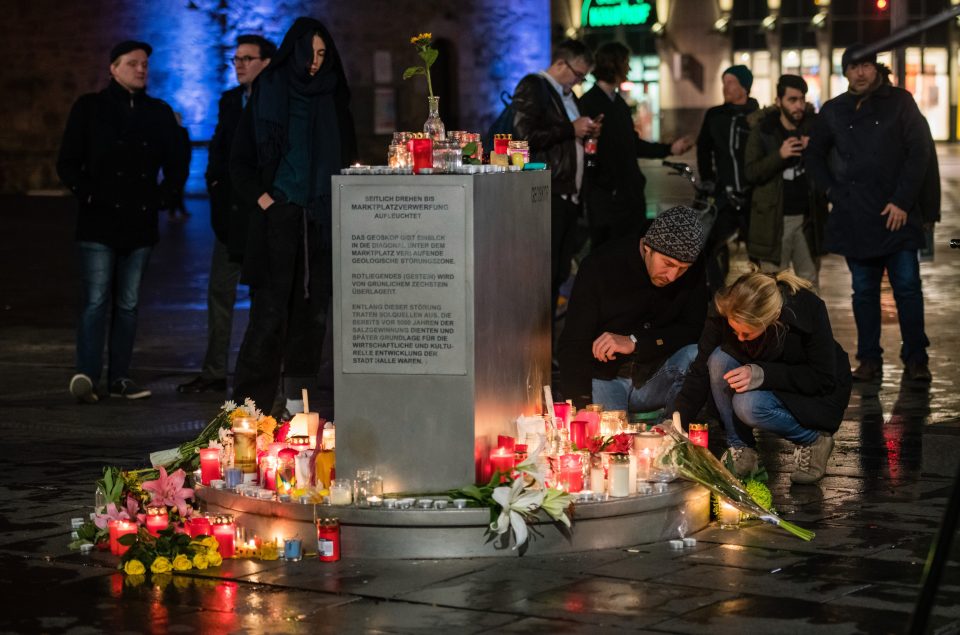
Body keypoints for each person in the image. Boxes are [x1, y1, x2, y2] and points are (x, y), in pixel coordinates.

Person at [229, 17, 357, 417]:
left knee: (312, 316)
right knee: (268, 317)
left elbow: (347, 150)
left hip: (319, 220)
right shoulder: (271, 88)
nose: (315, 62)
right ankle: (248, 411)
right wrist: (266, 201)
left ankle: (295, 405)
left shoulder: (332, 93)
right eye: (310, 53)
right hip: (279, 219)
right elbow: (240, 159)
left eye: (322, 54)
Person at [57, 40, 189, 402]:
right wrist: (88, 194)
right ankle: (87, 373)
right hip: (98, 221)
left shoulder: (157, 111)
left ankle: (119, 377)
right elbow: (67, 160)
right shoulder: (90, 108)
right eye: (132, 63)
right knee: (96, 300)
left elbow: (178, 157)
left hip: (139, 223)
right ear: (114, 68)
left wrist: (164, 197)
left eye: (145, 63)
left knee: (128, 303)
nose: (141, 69)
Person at [806, 46, 937, 383]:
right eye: (853, 67)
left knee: (907, 289)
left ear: (876, 68)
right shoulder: (834, 110)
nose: (860, 73)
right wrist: (833, 192)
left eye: (866, 65)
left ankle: (916, 357)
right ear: (845, 72)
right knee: (863, 292)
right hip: (856, 218)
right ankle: (869, 359)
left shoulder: (900, 101)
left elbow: (919, 152)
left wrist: (903, 202)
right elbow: (814, 155)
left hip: (898, 216)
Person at [673, 270, 852, 484]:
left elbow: (821, 378)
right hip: (766, 377)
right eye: (734, 330)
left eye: (747, 334)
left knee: (747, 405)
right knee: (719, 358)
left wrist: (763, 374)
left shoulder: (806, 309)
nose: (739, 338)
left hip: (809, 391)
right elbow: (700, 369)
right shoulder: (727, 309)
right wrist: (675, 422)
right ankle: (741, 449)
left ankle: (813, 441)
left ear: (771, 319)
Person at [178, 34, 276, 394]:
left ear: (266, 62)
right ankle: (215, 370)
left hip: (261, 213)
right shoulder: (230, 100)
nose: (239, 65)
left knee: (264, 299)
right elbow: (221, 148)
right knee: (219, 292)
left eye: (247, 59)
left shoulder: (276, 100)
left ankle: (259, 376)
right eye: (236, 59)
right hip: (231, 215)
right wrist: (215, 187)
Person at [558, 205, 708, 412]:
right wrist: (581, 404)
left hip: (655, 376)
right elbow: (574, 342)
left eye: (683, 269)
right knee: (611, 439)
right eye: (667, 263)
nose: (672, 276)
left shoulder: (694, 268)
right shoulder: (601, 266)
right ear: (647, 247)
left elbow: (694, 329)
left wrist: (636, 342)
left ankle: (672, 430)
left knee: (695, 355)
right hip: (607, 379)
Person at [513, 39, 601, 315]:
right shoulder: (534, 86)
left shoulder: (567, 95)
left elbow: (567, 134)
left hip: (568, 194)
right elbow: (522, 137)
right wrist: (570, 128)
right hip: (547, 192)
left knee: (559, 272)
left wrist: (587, 132)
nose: (578, 82)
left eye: (583, 78)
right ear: (561, 63)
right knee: (545, 274)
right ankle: (538, 344)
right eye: (577, 75)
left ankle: (547, 343)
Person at [579, 42, 693, 250]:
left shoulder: (618, 104)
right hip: (608, 199)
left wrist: (668, 149)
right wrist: (602, 182)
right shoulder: (590, 103)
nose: (629, 69)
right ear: (614, 65)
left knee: (630, 251)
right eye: (626, 63)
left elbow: (631, 144)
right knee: (607, 254)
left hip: (628, 195)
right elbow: (588, 152)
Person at [744, 74, 827, 287]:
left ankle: (808, 322)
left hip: (807, 220)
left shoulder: (814, 128)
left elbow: (828, 171)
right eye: (792, 100)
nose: (798, 105)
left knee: (809, 285)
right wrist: (779, 156)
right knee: (772, 287)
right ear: (778, 101)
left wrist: (814, 149)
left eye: (801, 99)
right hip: (773, 221)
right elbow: (751, 172)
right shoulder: (763, 131)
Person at [696, 64, 759, 292]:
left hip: (753, 196)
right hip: (724, 194)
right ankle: (718, 294)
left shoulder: (757, 116)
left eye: (731, 82)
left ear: (744, 86)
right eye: (724, 82)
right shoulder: (715, 115)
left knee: (758, 249)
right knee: (709, 245)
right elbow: (704, 149)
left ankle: (758, 296)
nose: (726, 87)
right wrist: (709, 179)